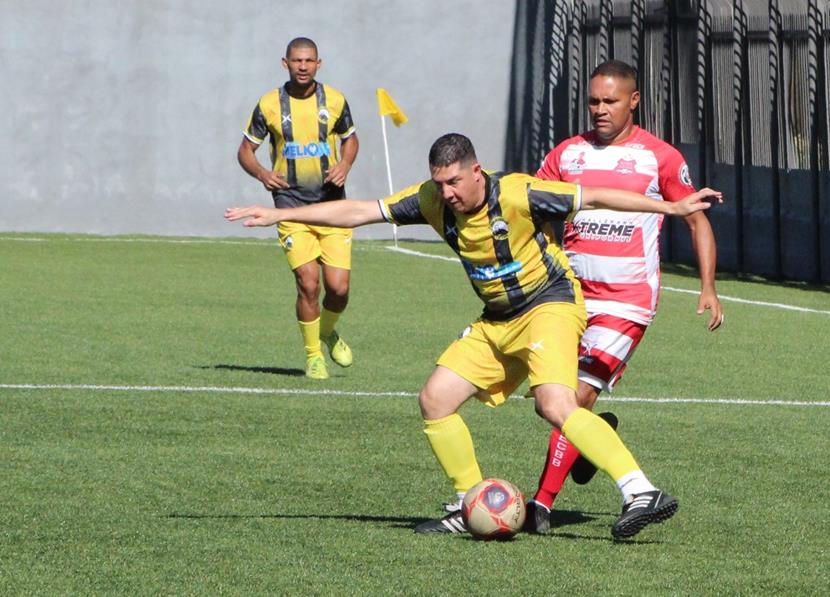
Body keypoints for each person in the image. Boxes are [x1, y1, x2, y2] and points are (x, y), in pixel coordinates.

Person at [225, 133, 722, 540]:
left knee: (554, 403)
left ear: (476, 171)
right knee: (435, 399)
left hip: (550, 305)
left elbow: (594, 195)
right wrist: (279, 214)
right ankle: (469, 503)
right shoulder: (431, 200)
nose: (447, 194)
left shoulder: (520, 192)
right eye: (440, 184)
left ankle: (641, 490)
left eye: (455, 182)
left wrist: (673, 210)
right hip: (497, 319)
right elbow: (359, 211)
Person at [524, 60, 725, 533]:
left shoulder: (660, 157)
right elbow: (536, 207)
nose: (599, 109)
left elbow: (697, 220)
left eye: (609, 101)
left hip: (626, 301)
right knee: (552, 401)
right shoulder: (567, 154)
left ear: (634, 101)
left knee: (573, 396)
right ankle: (597, 439)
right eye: (593, 101)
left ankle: (540, 506)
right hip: (569, 298)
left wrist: (709, 287)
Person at [237, 37, 360, 379]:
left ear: (319, 63)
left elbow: (350, 138)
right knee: (308, 284)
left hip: (332, 205)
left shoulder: (334, 101)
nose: (302, 66)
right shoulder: (269, 104)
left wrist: (345, 164)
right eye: (296, 61)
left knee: (339, 289)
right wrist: (263, 173)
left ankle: (325, 330)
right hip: (290, 207)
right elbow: (245, 150)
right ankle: (313, 356)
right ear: (285, 63)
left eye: (309, 61)